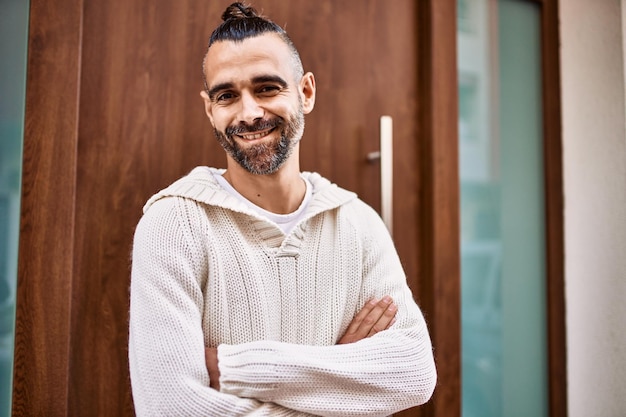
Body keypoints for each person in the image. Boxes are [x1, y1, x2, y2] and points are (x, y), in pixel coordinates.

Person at [128, 2, 437, 416]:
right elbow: (171, 407)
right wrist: (339, 386)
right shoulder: (172, 224)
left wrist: (238, 370)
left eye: (267, 88)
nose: (249, 113)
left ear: (305, 92)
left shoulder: (358, 222)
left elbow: (413, 372)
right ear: (210, 110)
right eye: (226, 96)